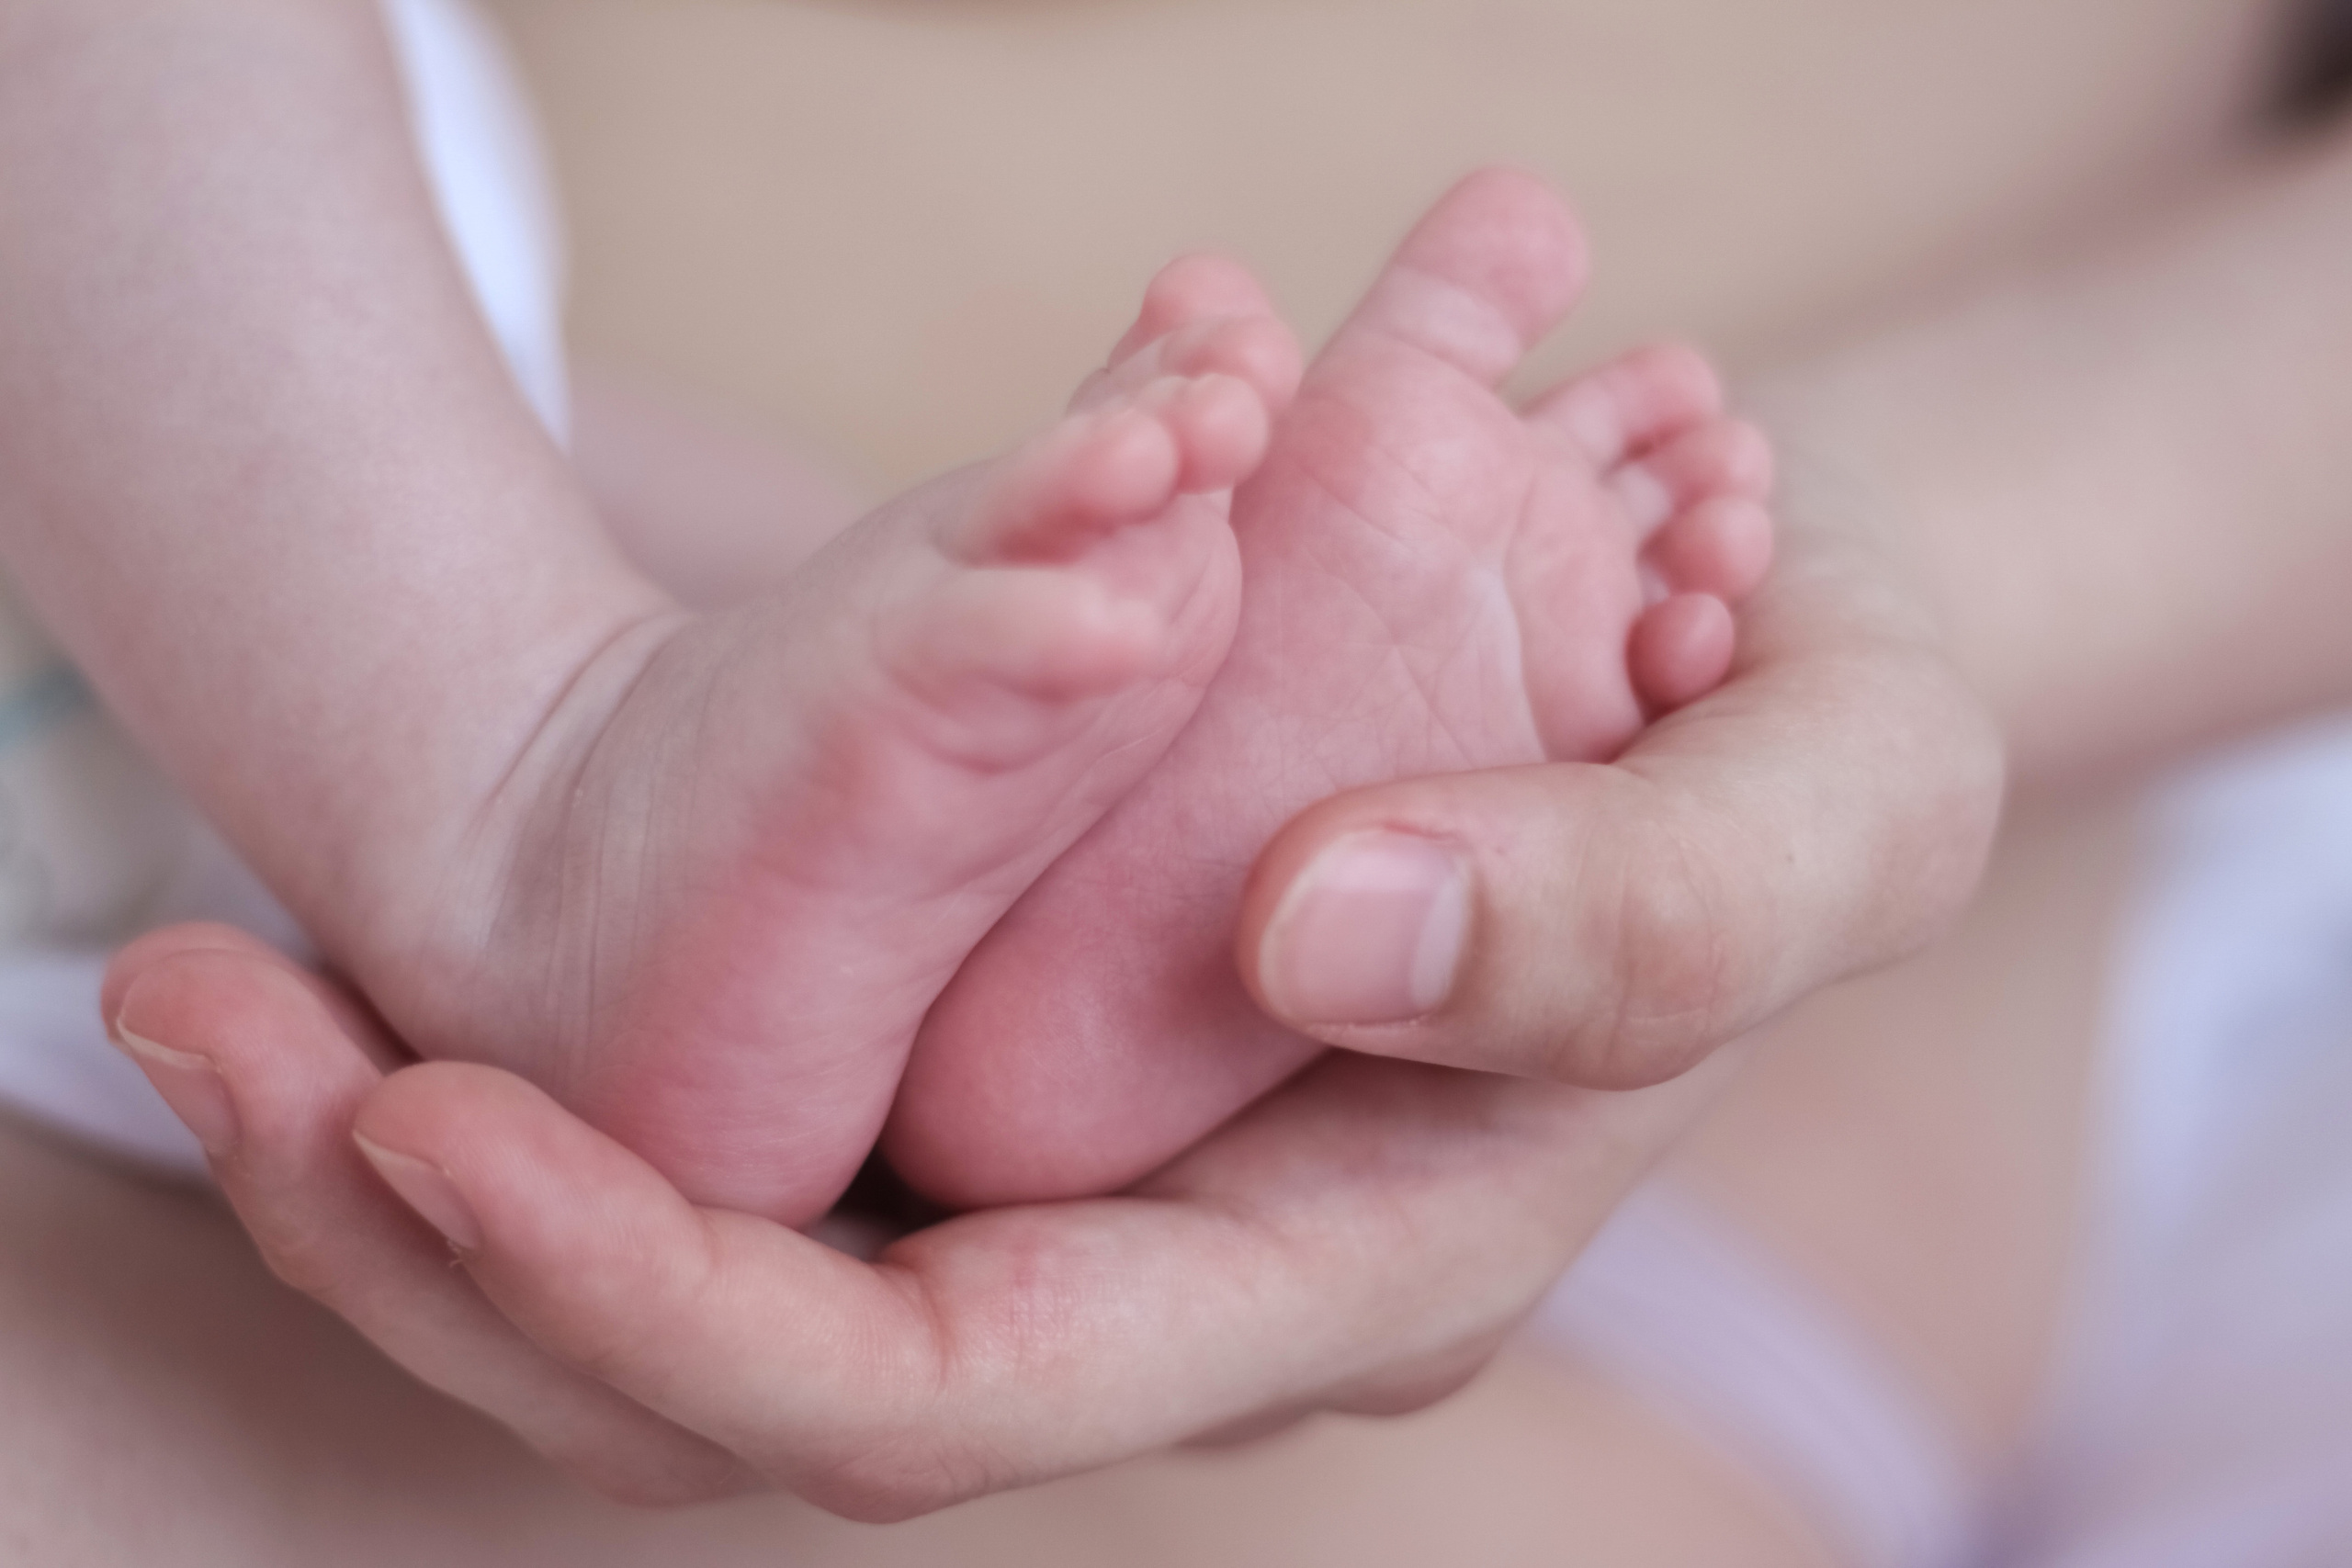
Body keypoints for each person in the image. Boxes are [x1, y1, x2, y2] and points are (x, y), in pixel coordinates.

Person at [19, 0, 2352, 1559]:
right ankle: (578, 759)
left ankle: (606, 767)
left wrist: (1879, 597)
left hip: (1709, 1139)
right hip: (387, 507)